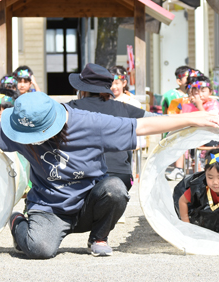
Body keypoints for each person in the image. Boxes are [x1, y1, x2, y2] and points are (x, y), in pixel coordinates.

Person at [0, 92, 219, 259]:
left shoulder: (90, 123)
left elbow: (142, 126)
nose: (33, 141)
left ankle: (98, 239)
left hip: (88, 202)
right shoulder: (21, 129)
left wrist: (192, 119)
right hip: (49, 208)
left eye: (39, 136)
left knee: (116, 189)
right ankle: (19, 223)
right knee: (39, 250)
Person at [67, 63, 158, 191]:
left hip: (83, 174)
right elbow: (157, 119)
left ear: (83, 89)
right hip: (122, 176)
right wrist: (191, 118)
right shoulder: (123, 107)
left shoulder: (70, 108)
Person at [163, 66, 192, 181]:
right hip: (176, 126)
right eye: (187, 77)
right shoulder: (170, 95)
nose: (191, 80)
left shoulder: (196, 94)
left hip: (193, 126)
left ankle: (195, 169)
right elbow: (165, 113)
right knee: (180, 136)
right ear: (179, 81)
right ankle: (179, 169)